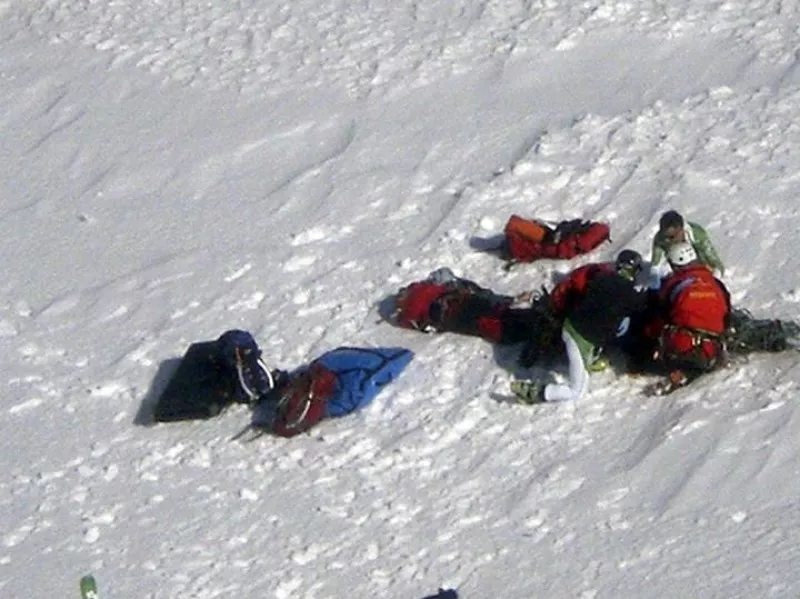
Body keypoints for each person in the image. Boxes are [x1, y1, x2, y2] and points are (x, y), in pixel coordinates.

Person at [511, 249, 649, 404]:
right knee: (577, 392)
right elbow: (643, 307)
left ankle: (590, 359)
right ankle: (533, 392)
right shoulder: (630, 294)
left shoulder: (601, 277)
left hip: (571, 326)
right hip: (580, 339)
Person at [643, 242, 731, 395]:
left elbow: (660, 317)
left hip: (682, 348)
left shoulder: (673, 285)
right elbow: (727, 314)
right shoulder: (715, 283)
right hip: (714, 348)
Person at [651, 210, 725, 278]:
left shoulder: (697, 235)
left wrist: (715, 278)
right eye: (665, 236)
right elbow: (655, 265)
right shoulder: (660, 239)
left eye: (671, 237)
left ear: (681, 230)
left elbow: (715, 263)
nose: (668, 240)